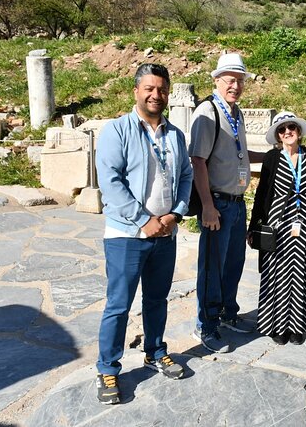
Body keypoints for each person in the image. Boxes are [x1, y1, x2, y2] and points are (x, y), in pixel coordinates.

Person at [94, 63, 193, 404]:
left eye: (162, 89)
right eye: (149, 88)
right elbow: (111, 181)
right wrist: (142, 220)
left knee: (156, 300)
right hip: (126, 236)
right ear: (136, 90)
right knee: (119, 306)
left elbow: (185, 176)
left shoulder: (175, 134)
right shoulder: (117, 131)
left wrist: (177, 212)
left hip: (165, 234)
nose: (156, 95)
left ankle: (155, 351)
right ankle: (108, 369)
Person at [189, 53, 264, 353]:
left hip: (236, 202)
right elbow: (197, 160)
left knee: (233, 265)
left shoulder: (237, 113)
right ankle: (205, 325)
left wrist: (273, 156)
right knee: (211, 268)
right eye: (230, 80)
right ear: (217, 80)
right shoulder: (208, 112)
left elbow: (242, 153)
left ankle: (227, 314)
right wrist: (207, 206)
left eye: (240, 80)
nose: (235, 85)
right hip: (217, 203)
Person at [248, 112, 306, 345]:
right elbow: (263, 192)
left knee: (302, 273)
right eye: (282, 130)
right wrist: (254, 225)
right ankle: (278, 326)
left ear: (299, 131)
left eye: (291, 127)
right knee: (278, 274)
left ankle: (298, 326)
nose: (287, 132)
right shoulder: (273, 157)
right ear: (278, 135)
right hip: (277, 224)